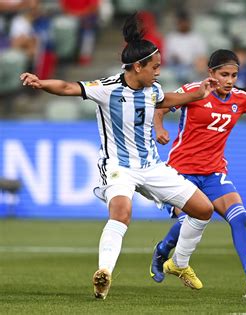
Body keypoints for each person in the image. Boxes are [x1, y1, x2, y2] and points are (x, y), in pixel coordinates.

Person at [20, 13, 218, 299]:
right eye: (155, 67)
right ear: (137, 67)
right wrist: (41, 83)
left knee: (204, 209)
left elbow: (168, 99)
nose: (159, 72)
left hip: (151, 165)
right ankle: (104, 274)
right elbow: (67, 87)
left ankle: (179, 263)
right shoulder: (108, 88)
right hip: (118, 167)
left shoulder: (153, 89)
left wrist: (199, 93)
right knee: (122, 213)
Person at [149, 49, 246, 295]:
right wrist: (159, 128)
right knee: (188, 220)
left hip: (214, 172)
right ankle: (162, 251)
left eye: (234, 75)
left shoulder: (239, 98)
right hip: (181, 172)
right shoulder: (195, 91)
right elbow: (160, 107)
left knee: (240, 216)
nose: (229, 80)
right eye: (224, 74)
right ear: (211, 73)